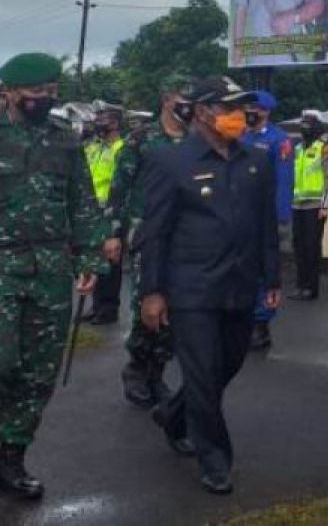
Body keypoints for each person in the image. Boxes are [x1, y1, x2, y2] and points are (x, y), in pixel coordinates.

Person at [138, 76, 281, 495]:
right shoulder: (171, 161)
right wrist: (152, 291)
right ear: (202, 112)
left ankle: (174, 414)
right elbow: (156, 232)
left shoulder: (257, 159)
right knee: (202, 373)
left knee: (228, 364)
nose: (240, 117)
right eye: (230, 109)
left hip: (239, 284)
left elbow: (265, 226)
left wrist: (271, 278)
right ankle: (215, 458)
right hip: (191, 288)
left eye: (243, 110)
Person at [0, 53, 105, 500]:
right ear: (9, 93)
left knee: (39, 373)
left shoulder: (65, 140)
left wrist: (91, 259)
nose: (45, 99)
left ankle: (11, 458)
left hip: (50, 272)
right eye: (36, 93)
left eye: (51, 92)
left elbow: (81, 201)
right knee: (3, 363)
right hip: (2, 268)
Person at [107, 76, 191, 409]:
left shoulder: (195, 140)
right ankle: (138, 369)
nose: (190, 104)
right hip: (145, 230)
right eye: (184, 96)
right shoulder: (142, 139)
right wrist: (112, 233)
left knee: (175, 306)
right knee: (147, 300)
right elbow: (120, 187)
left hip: (183, 233)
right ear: (168, 98)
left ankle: (156, 372)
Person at [241, 91, 293, 351]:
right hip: (240, 216)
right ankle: (244, 320)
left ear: (266, 112)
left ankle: (261, 326)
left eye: (255, 108)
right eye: (247, 106)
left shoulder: (279, 140)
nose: (249, 111)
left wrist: (281, 218)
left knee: (265, 272)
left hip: (265, 216)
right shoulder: (241, 135)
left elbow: (284, 181)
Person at [86, 102, 127, 325]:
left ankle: (109, 308)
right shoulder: (95, 147)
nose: (99, 123)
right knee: (95, 258)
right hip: (93, 209)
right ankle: (97, 305)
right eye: (98, 118)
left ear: (116, 123)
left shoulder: (122, 148)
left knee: (111, 260)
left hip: (113, 209)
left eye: (104, 119)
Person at [290, 110, 328, 301]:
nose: (304, 127)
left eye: (309, 123)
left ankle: (311, 288)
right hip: (297, 205)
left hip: (315, 206)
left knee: (311, 247)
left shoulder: (323, 147)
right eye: (303, 123)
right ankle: (300, 285)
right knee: (298, 246)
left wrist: (325, 206)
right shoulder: (298, 148)